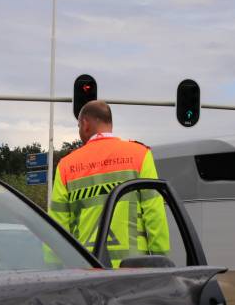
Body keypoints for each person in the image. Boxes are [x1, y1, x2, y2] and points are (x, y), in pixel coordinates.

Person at [48, 100, 169, 266]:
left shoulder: (66, 166)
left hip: (86, 270)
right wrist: (160, 260)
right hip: (135, 271)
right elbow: (154, 213)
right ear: (109, 123)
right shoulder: (140, 155)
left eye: (78, 126)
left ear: (85, 124)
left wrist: (54, 267)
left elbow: (57, 224)